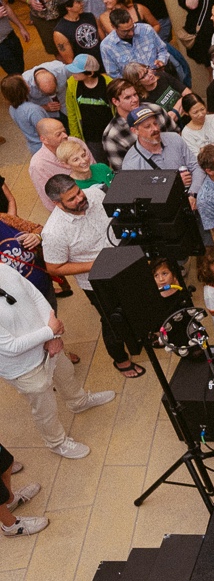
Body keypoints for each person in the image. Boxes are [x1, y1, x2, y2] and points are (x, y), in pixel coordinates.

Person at [0, 259, 113, 469]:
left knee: (66, 373)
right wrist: (49, 332)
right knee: (45, 408)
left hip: (48, 344)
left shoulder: (3, 268)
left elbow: (35, 295)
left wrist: (52, 333)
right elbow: (11, 347)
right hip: (24, 367)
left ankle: (78, 401)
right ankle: (56, 442)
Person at [41, 176, 143, 378]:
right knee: (112, 319)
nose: (80, 198)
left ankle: (143, 335)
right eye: (71, 199)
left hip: (124, 262)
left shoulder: (95, 194)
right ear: (57, 204)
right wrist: (96, 265)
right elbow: (54, 267)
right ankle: (120, 359)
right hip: (97, 282)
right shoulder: (54, 232)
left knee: (137, 302)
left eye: (78, 192)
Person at [28, 117, 92, 210]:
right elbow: (50, 201)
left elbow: (93, 166)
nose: (65, 136)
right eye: (58, 134)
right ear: (44, 139)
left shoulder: (75, 142)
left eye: (64, 131)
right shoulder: (38, 165)